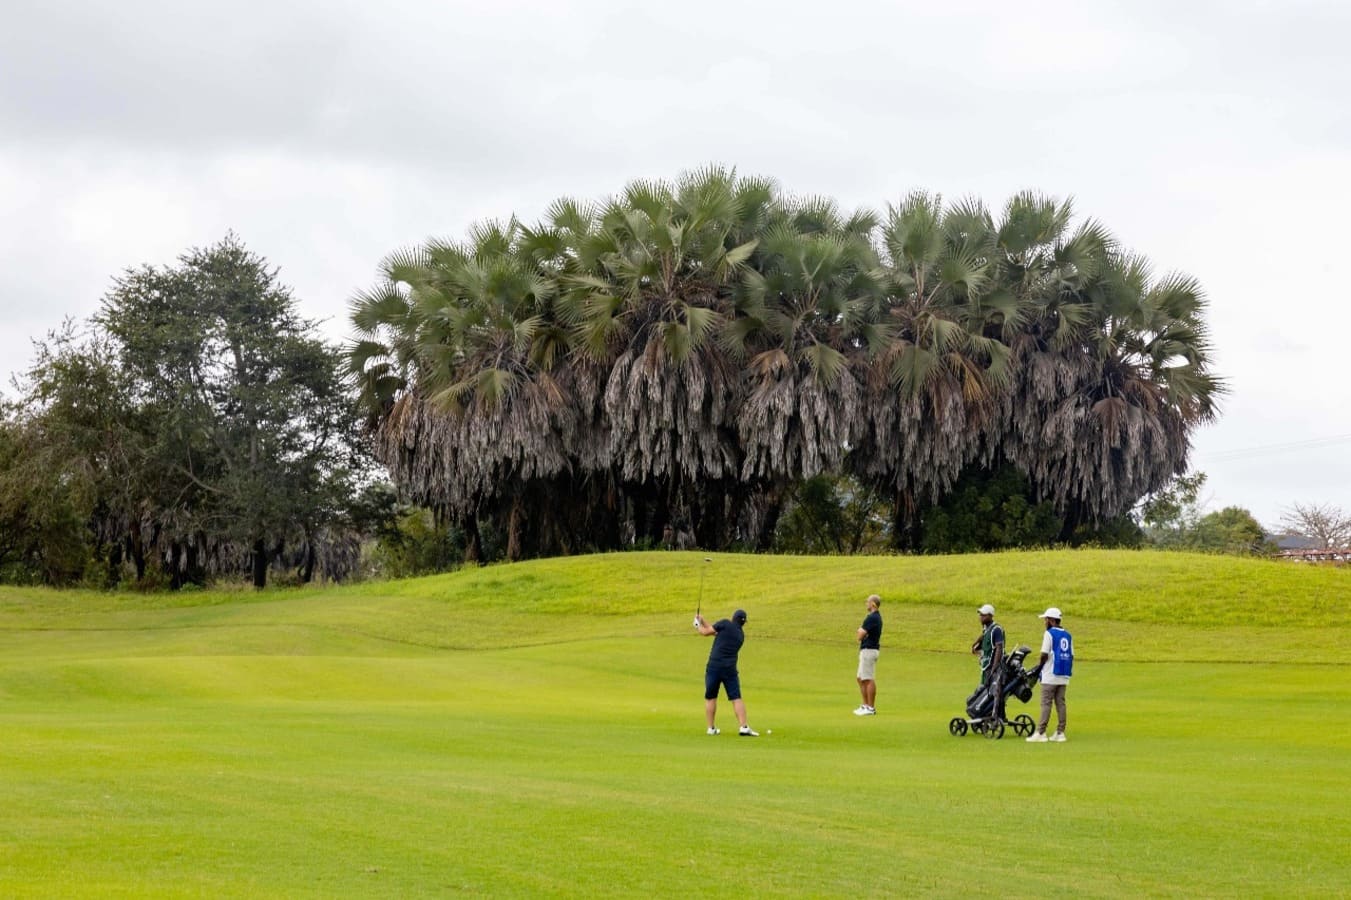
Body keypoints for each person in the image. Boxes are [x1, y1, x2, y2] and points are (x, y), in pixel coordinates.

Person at [694, 608, 758, 736]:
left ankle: (711, 728)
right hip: (729, 669)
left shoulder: (724, 623)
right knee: (736, 698)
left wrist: (697, 625)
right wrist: (703, 621)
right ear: (743, 623)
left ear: (732, 617)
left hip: (714, 666)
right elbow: (715, 632)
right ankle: (743, 727)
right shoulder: (740, 636)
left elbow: (706, 632)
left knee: (711, 697)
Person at [1027, 607, 1073, 743]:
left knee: (1046, 703)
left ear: (1052, 620)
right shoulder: (1068, 635)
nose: (1045, 622)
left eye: (1046, 619)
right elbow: (1072, 655)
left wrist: (1039, 668)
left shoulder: (1049, 634)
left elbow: (1044, 654)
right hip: (1064, 674)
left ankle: (1041, 732)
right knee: (1060, 703)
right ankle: (1060, 732)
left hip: (1050, 673)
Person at [971, 603, 1006, 719]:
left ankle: (996, 717)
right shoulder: (987, 629)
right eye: (980, 615)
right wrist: (975, 644)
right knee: (985, 692)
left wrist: (995, 667)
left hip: (994, 668)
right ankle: (985, 714)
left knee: (996, 693)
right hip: (986, 668)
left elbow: (999, 648)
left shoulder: (997, 629)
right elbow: (984, 636)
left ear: (990, 616)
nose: (981, 617)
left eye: (983, 615)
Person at [854, 594, 882, 716]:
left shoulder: (872, 618)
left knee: (868, 678)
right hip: (866, 650)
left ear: (873, 604)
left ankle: (870, 707)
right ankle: (865, 705)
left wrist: (861, 633)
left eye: (868, 602)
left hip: (869, 650)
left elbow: (860, 635)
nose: (866, 604)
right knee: (860, 678)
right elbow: (860, 633)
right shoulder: (871, 617)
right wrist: (861, 633)